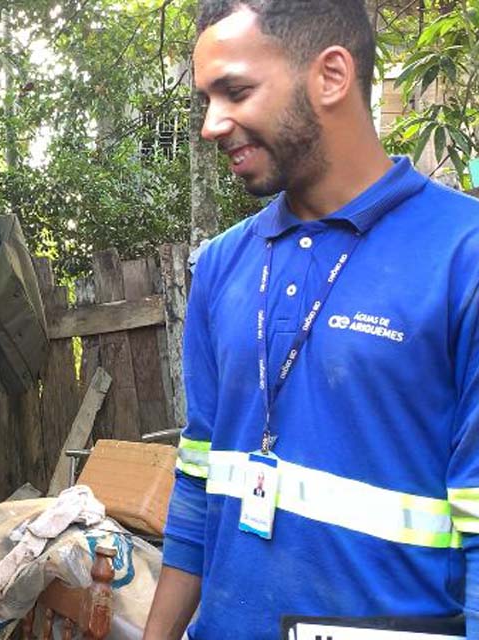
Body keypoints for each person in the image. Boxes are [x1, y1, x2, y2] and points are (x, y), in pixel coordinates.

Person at [144, 1, 479, 638]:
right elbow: (197, 480)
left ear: (331, 76)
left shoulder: (463, 256)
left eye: (235, 91)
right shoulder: (221, 265)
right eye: (207, 100)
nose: (212, 125)